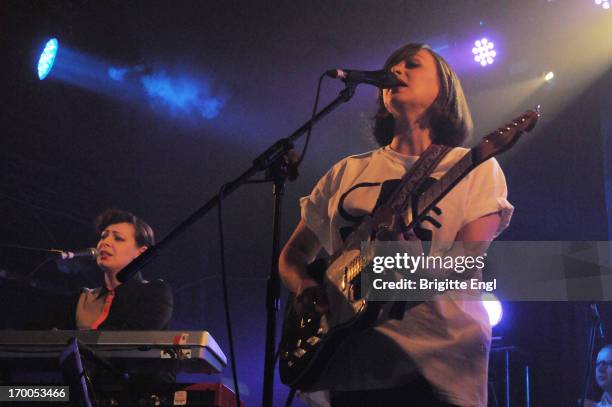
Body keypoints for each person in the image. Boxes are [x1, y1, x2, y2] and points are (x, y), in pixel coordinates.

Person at [279, 43, 513, 407]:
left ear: (444, 91)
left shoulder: (474, 166)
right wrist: (304, 286)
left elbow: (466, 261)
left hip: (434, 368)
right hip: (347, 368)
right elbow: (293, 254)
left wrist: (405, 260)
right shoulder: (346, 171)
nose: (396, 71)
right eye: (391, 66)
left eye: (412, 65)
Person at [48, 209, 173, 330]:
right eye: (103, 236)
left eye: (118, 238)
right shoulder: (82, 298)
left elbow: (131, 339)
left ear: (141, 253)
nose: (105, 242)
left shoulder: (154, 292)